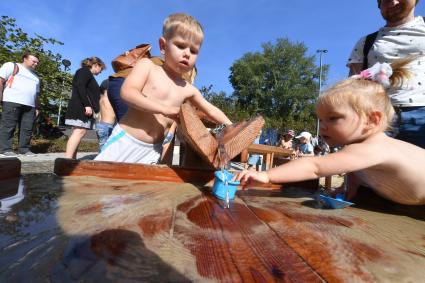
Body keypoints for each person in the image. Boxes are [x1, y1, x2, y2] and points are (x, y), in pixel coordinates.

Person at [234, 61, 425, 205]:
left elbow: (315, 166)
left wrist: (267, 176)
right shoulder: (359, 150)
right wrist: (347, 192)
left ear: (372, 120)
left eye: (333, 118)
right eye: (321, 120)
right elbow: (356, 172)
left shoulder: (374, 147)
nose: (323, 126)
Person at [95, 13, 232, 164]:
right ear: (163, 46)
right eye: (180, 46)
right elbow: (127, 93)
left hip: (153, 151)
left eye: (193, 51)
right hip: (126, 141)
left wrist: (233, 128)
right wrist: (166, 109)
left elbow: (211, 110)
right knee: (96, 181)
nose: (187, 53)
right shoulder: (147, 66)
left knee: (141, 187)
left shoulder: (189, 89)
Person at [347, 0, 425, 148]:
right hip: (378, 118)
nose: (393, 2)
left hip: (422, 114)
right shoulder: (366, 42)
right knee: (373, 171)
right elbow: (352, 85)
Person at [0, 51, 40, 157]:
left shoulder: (36, 77)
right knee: (8, 126)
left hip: (30, 106)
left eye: (37, 63)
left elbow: (36, 94)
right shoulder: (11, 66)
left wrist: (37, 107)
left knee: (27, 128)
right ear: (25, 59)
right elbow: (1, 81)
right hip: (12, 101)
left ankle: (24, 150)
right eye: (34, 61)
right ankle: (5, 149)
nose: (36, 64)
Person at [64, 57, 105, 159]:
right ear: (96, 65)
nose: (101, 72)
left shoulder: (86, 73)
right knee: (80, 131)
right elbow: (80, 87)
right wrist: (87, 105)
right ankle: (67, 160)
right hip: (81, 107)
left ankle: (72, 159)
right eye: (101, 69)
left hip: (82, 106)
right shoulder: (84, 71)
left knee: (79, 131)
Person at [96, 79, 116, 150]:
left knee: (103, 145)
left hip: (100, 125)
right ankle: (102, 160)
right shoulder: (109, 98)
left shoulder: (101, 99)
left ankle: (100, 159)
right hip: (107, 126)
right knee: (106, 148)